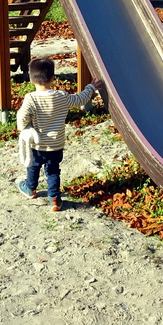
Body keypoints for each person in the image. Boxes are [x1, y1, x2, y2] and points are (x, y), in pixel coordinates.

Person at [16, 57, 103, 211]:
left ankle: (30, 189)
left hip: (37, 144)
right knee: (53, 171)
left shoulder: (31, 99)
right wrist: (91, 88)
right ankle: (55, 199)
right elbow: (79, 99)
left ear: (31, 79)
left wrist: (25, 128)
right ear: (52, 78)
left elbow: (22, 117)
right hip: (56, 144)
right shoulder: (61, 96)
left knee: (33, 167)